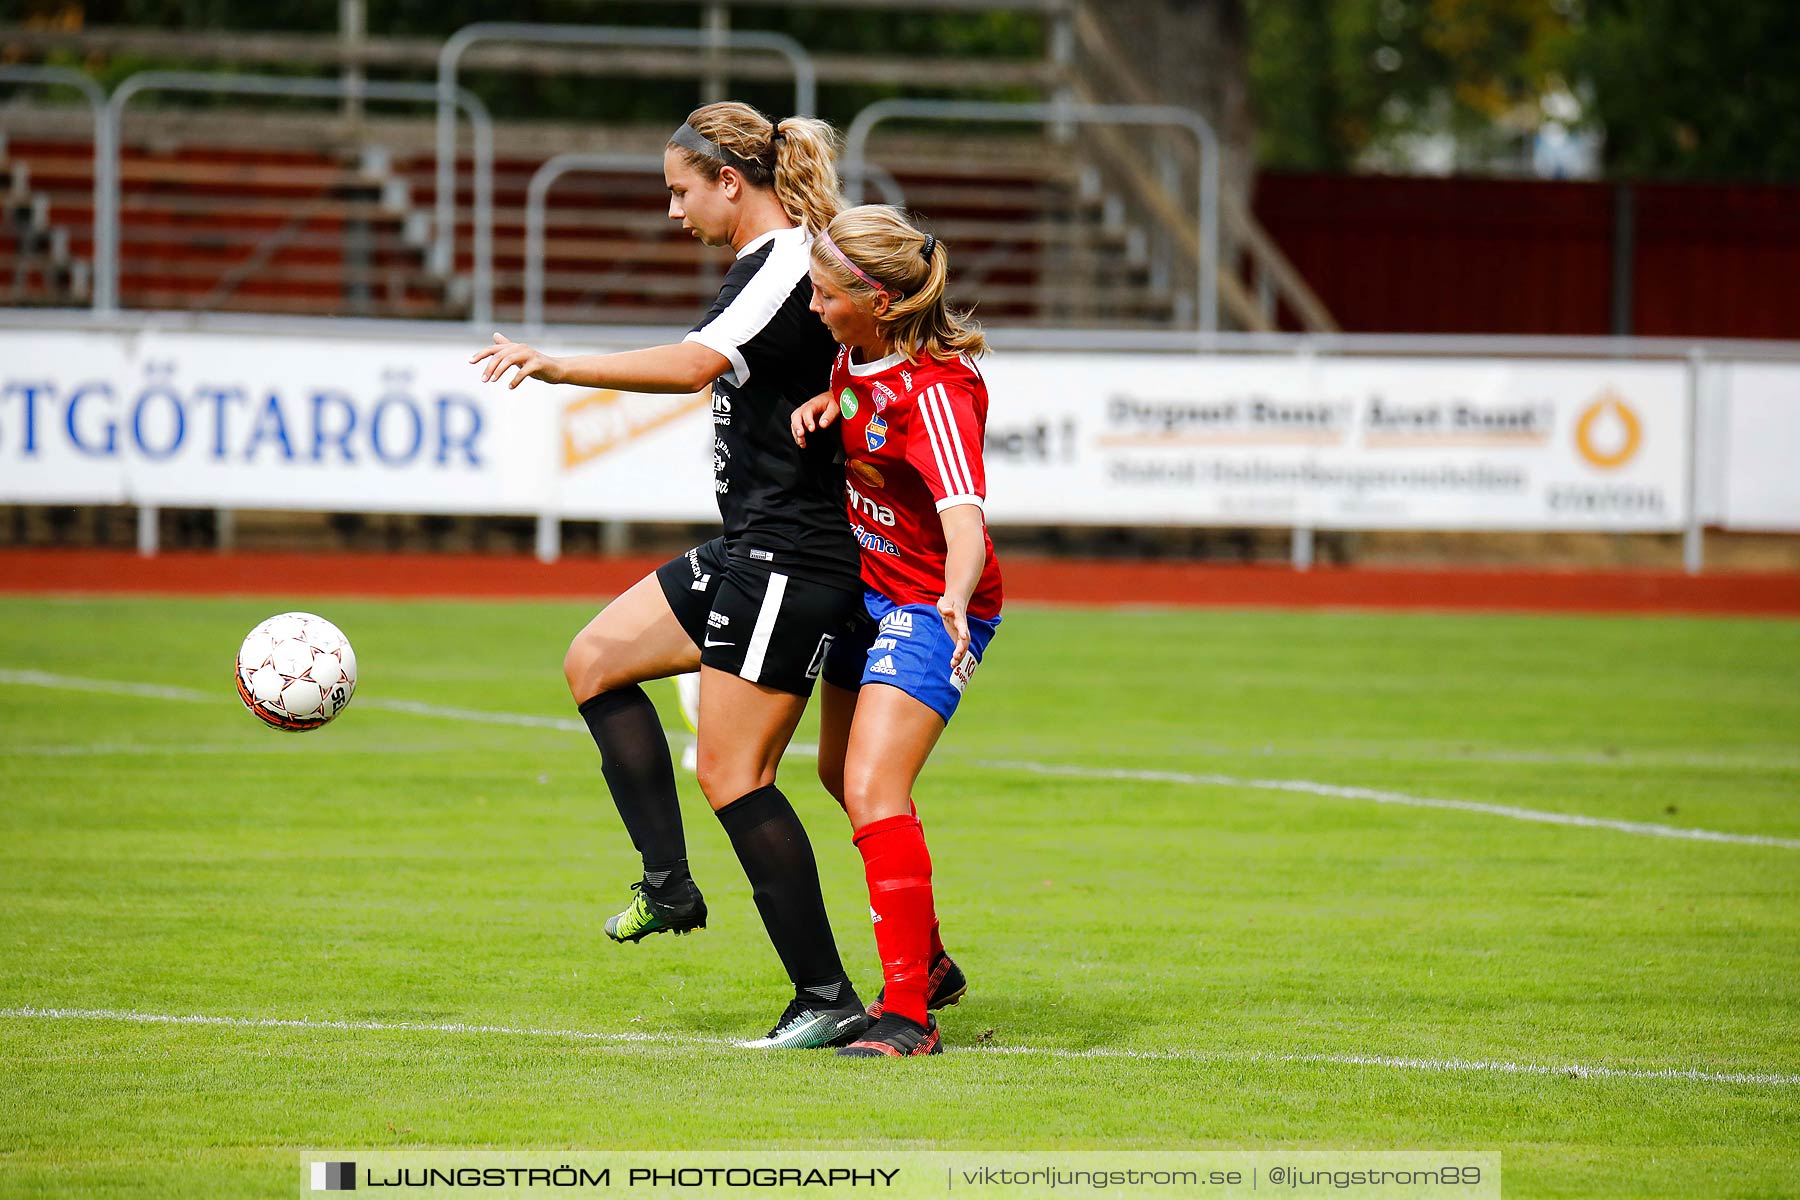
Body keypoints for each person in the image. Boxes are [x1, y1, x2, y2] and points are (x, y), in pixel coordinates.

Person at [472, 103, 871, 1050]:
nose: (671, 210)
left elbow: (694, 367)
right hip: (750, 544)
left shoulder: (784, 261)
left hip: (793, 553)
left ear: (730, 182)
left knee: (735, 774)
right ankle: (668, 886)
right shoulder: (777, 264)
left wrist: (558, 364)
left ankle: (826, 995)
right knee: (595, 660)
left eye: (679, 190)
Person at [790, 206, 1003, 1058]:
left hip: (930, 605)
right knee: (839, 774)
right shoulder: (857, 354)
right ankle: (933, 959)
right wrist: (825, 400)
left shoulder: (941, 395)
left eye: (823, 291)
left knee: (876, 787)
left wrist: (952, 600)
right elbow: (857, 395)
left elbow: (965, 519)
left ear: (877, 301)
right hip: (865, 593)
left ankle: (909, 1014)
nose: (812, 305)